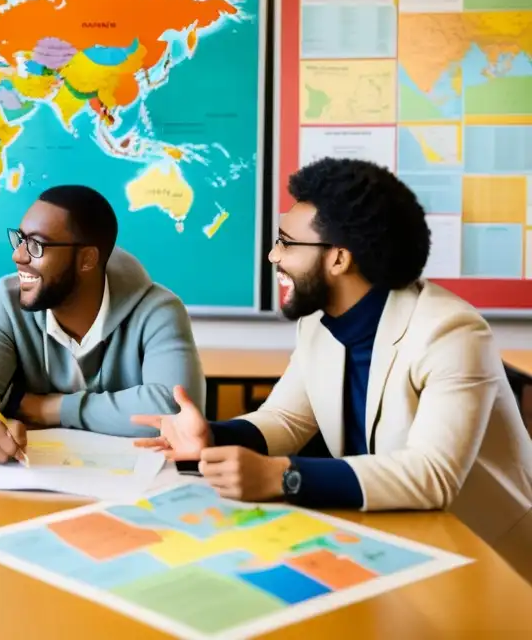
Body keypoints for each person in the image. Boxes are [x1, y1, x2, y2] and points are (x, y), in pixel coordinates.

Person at [133, 157, 532, 582]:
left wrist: (283, 477)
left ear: (339, 259)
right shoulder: (319, 322)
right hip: (397, 536)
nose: (273, 255)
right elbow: (287, 419)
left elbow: (432, 475)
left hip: (487, 557)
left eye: (286, 242)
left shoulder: (451, 332)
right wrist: (214, 434)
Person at [0, 184, 206, 463]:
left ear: (87, 259)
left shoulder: (159, 311)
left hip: (133, 484)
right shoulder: (9, 301)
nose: (18, 256)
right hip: (37, 480)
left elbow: (175, 410)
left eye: (36, 245)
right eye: (20, 239)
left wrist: (48, 408)